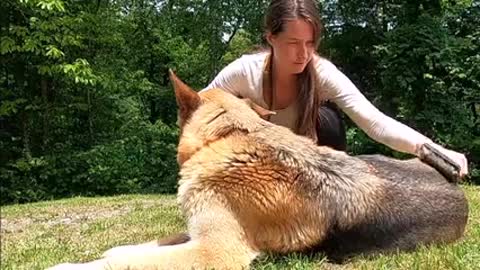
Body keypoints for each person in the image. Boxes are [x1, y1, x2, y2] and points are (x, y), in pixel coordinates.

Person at [200, 0, 468, 177]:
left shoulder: (322, 73)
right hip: (252, 162)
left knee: (329, 121)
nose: (303, 54)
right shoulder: (244, 72)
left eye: (310, 43)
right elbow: (196, 111)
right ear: (271, 38)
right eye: (293, 42)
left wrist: (431, 150)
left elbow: (376, 123)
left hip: (304, 166)